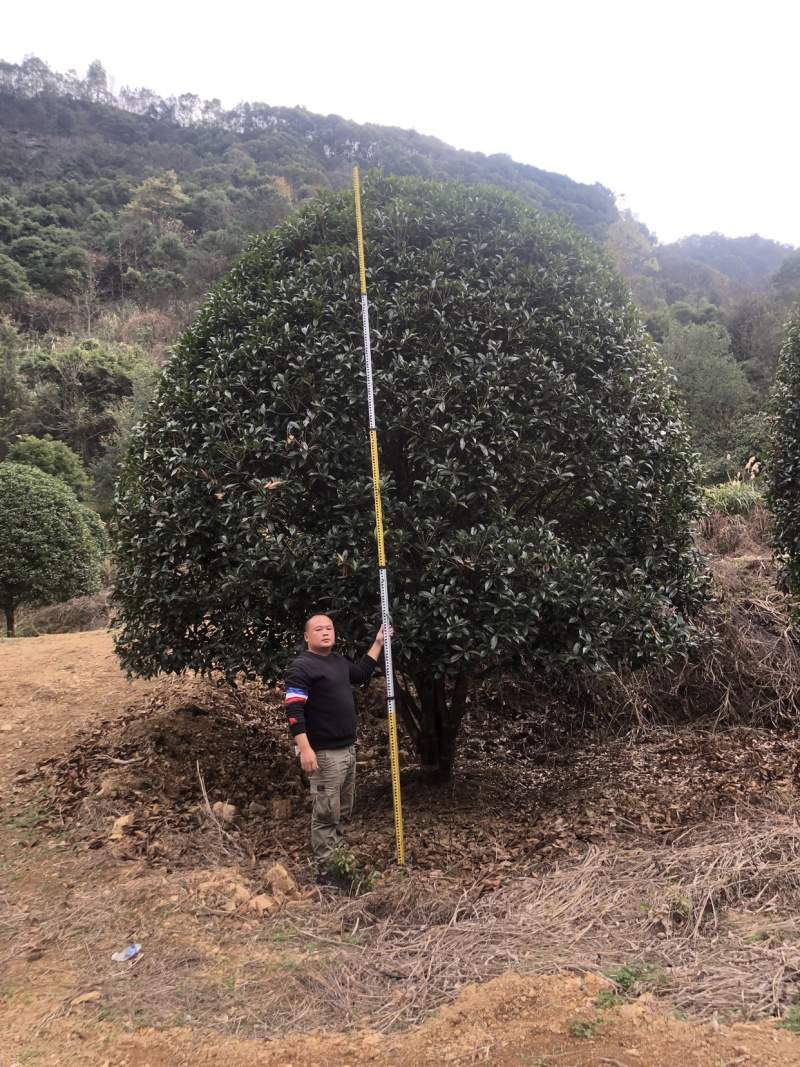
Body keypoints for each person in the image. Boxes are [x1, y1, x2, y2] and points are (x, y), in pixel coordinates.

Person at [284, 613, 387, 877]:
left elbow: (362, 673)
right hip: (324, 754)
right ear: (307, 636)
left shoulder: (338, 661)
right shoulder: (302, 667)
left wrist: (378, 642)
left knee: (341, 809)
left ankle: (337, 859)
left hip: (347, 750)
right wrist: (305, 749)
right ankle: (328, 872)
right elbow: (293, 711)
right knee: (326, 813)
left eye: (329, 628)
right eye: (319, 629)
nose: (326, 632)